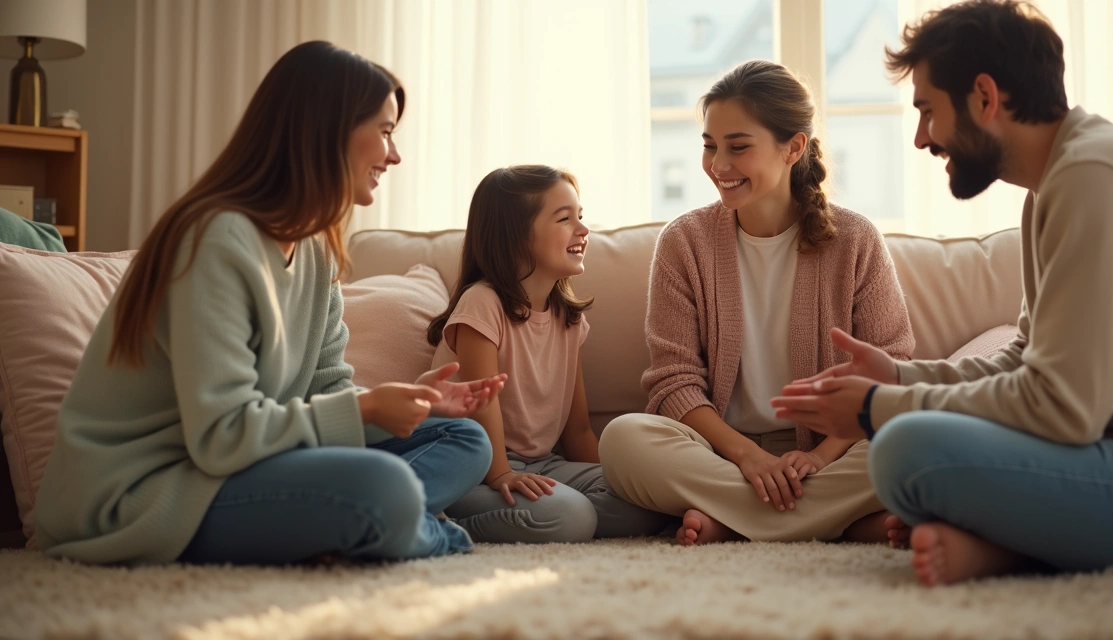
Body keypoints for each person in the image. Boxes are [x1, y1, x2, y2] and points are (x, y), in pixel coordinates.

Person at [775, 0, 1113, 586]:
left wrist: (874, 409)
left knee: (904, 450)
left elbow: (1062, 408)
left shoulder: (1096, 178)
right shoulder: (1055, 185)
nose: (921, 138)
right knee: (908, 447)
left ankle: (1009, 545)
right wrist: (900, 378)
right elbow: (1027, 359)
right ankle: (1008, 542)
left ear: (985, 97)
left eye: (928, 111)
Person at [33, 41, 505, 566]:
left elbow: (327, 390)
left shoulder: (316, 248)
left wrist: (407, 402)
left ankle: (365, 525)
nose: (394, 155)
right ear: (328, 131)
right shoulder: (215, 240)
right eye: (386, 131)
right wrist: (367, 410)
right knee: (385, 486)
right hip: (149, 488)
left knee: (464, 439)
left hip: (243, 462)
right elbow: (222, 436)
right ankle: (406, 527)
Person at [598, 60, 915, 546]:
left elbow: (889, 372)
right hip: (718, 452)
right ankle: (838, 523)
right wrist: (747, 456)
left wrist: (820, 457)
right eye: (710, 146)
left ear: (794, 147)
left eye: (738, 147)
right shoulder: (684, 242)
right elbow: (674, 382)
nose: (718, 165)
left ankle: (734, 522)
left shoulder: (855, 240)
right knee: (623, 440)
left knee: (917, 439)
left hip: (831, 451)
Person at [426, 165, 671, 543]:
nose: (583, 230)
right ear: (515, 236)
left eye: (581, 216)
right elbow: (482, 404)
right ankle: (441, 523)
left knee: (646, 500)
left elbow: (578, 430)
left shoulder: (568, 319)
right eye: (564, 219)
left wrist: (616, 483)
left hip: (544, 464)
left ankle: (555, 514)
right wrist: (502, 474)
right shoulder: (482, 303)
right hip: (473, 468)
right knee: (571, 517)